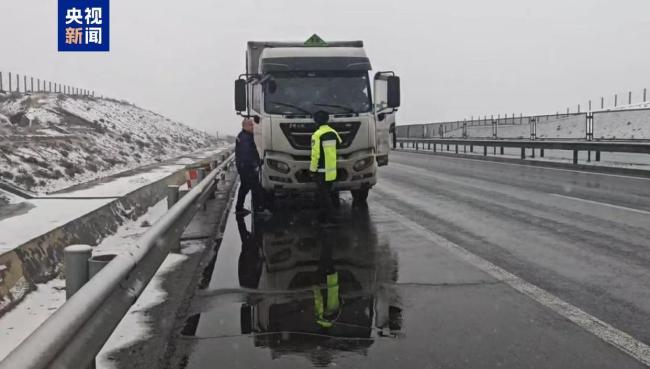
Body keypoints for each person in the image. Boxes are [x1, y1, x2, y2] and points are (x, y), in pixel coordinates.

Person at [309, 111, 342, 222]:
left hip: (322, 170)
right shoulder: (333, 132)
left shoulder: (317, 135)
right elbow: (339, 144)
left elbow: (315, 155)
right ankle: (329, 215)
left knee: (323, 195)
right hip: (332, 170)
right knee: (332, 193)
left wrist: (312, 170)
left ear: (316, 121)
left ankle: (329, 217)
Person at [235, 118, 269, 216]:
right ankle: (260, 210)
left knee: (244, 188)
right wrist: (255, 164)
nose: (253, 126)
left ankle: (239, 208)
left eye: (252, 124)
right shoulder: (245, 138)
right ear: (244, 126)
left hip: (244, 168)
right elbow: (247, 155)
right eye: (250, 125)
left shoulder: (244, 135)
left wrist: (258, 161)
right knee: (256, 189)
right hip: (247, 169)